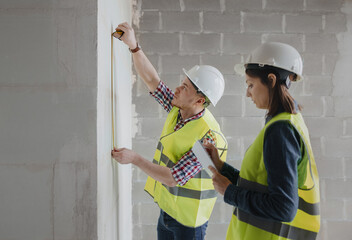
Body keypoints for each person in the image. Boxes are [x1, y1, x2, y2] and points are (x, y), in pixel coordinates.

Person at [111, 22, 228, 240]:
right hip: (168, 211)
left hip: (189, 223)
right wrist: (134, 47)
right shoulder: (179, 109)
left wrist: (135, 158)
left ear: (199, 100)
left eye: (185, 87)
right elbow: (152, 81)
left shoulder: (207, 136)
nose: (177, 89)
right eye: (181, 83)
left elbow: (175, 177)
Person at [203, 42, 320, 240]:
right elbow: (261, 184)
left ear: (271, 80)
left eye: (250, 84)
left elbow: (283, 208)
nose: (247, 93)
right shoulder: (288, 121)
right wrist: (221, 167)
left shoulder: (280, 130)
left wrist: (229, 192)